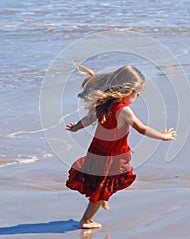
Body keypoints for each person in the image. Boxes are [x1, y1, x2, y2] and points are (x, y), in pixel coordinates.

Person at [66, 64, 176, 229]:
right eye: (137, 94)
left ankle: (102, 198)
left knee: (102, 183)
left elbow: (88, 120)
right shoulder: (123, 111)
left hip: (98, 151)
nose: (136, 98)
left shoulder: (102, 104)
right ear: (129, 91)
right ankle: (86, 220)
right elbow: (142, 129)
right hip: (111, 156)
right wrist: (163, 136)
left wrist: (75, 128)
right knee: (100, 190)